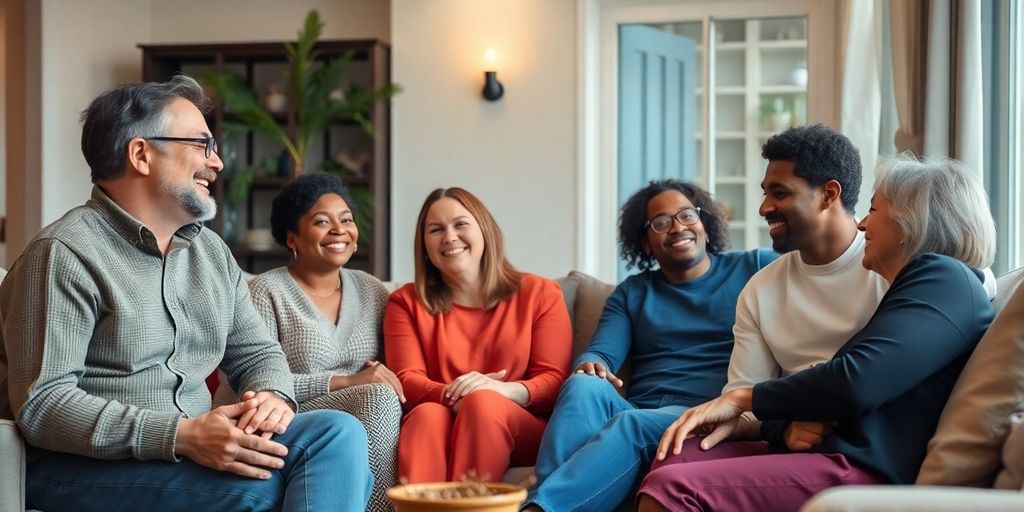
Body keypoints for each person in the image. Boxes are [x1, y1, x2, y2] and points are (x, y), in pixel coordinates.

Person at [0, 76, 372, 511]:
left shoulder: (210, 252)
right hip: (79, 466)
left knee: (338, 434)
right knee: (265, 491)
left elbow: (257, 354)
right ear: (141, 155)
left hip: (189, 449)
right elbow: (43, 404)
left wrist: (271, 395)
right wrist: (180, 435)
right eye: (201, 144)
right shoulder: (64, 253)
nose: (216, 162)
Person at [637, 154, 997, 511]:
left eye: (873, 210)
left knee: (673, 488)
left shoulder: (944, 278)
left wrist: (743, 399)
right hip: (831, 452)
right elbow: (832, 394)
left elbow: (855, 382)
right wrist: (783, 428)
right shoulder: (916, 290)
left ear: (910, 221)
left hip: (862, 467)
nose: (862, 224)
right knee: (675, 459)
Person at [521, 180, 778, 512]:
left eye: (687, 215)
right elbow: (601, 353)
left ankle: (539, 507)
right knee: (583, 385)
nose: (678, 227)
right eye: (661, 222)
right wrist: (591, 363)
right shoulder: (633, 293)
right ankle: (548, 499)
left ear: (705, 224)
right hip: (643, 410)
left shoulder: (754, 267)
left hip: (708, 413)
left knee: (631, 424)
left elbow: (814, 264)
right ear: (645, 243)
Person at [213, 173, 401, 512]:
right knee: (377, 397)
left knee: (381, 396)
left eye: (346, 220)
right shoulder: (266, 292)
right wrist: (348, 381)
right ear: (292, 239)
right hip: (281, 418)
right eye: (322, 222)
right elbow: (245, 388)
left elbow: (388, 372)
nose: (339, 230)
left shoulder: (373, 291)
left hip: (362, 420)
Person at [383, 187, 572, 483]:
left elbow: (553, 380)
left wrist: (498, 391)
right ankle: (420, 504)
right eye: (436, 229)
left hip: (519, 426)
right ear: (424, 246)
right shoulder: (406, 302)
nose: (449, 237)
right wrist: (458, 395)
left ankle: (468, 503)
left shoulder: (540, 293)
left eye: (460, 224)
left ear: (485, 230)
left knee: (483, 404)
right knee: (425, 416)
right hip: (441, 415)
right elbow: (406, 379)